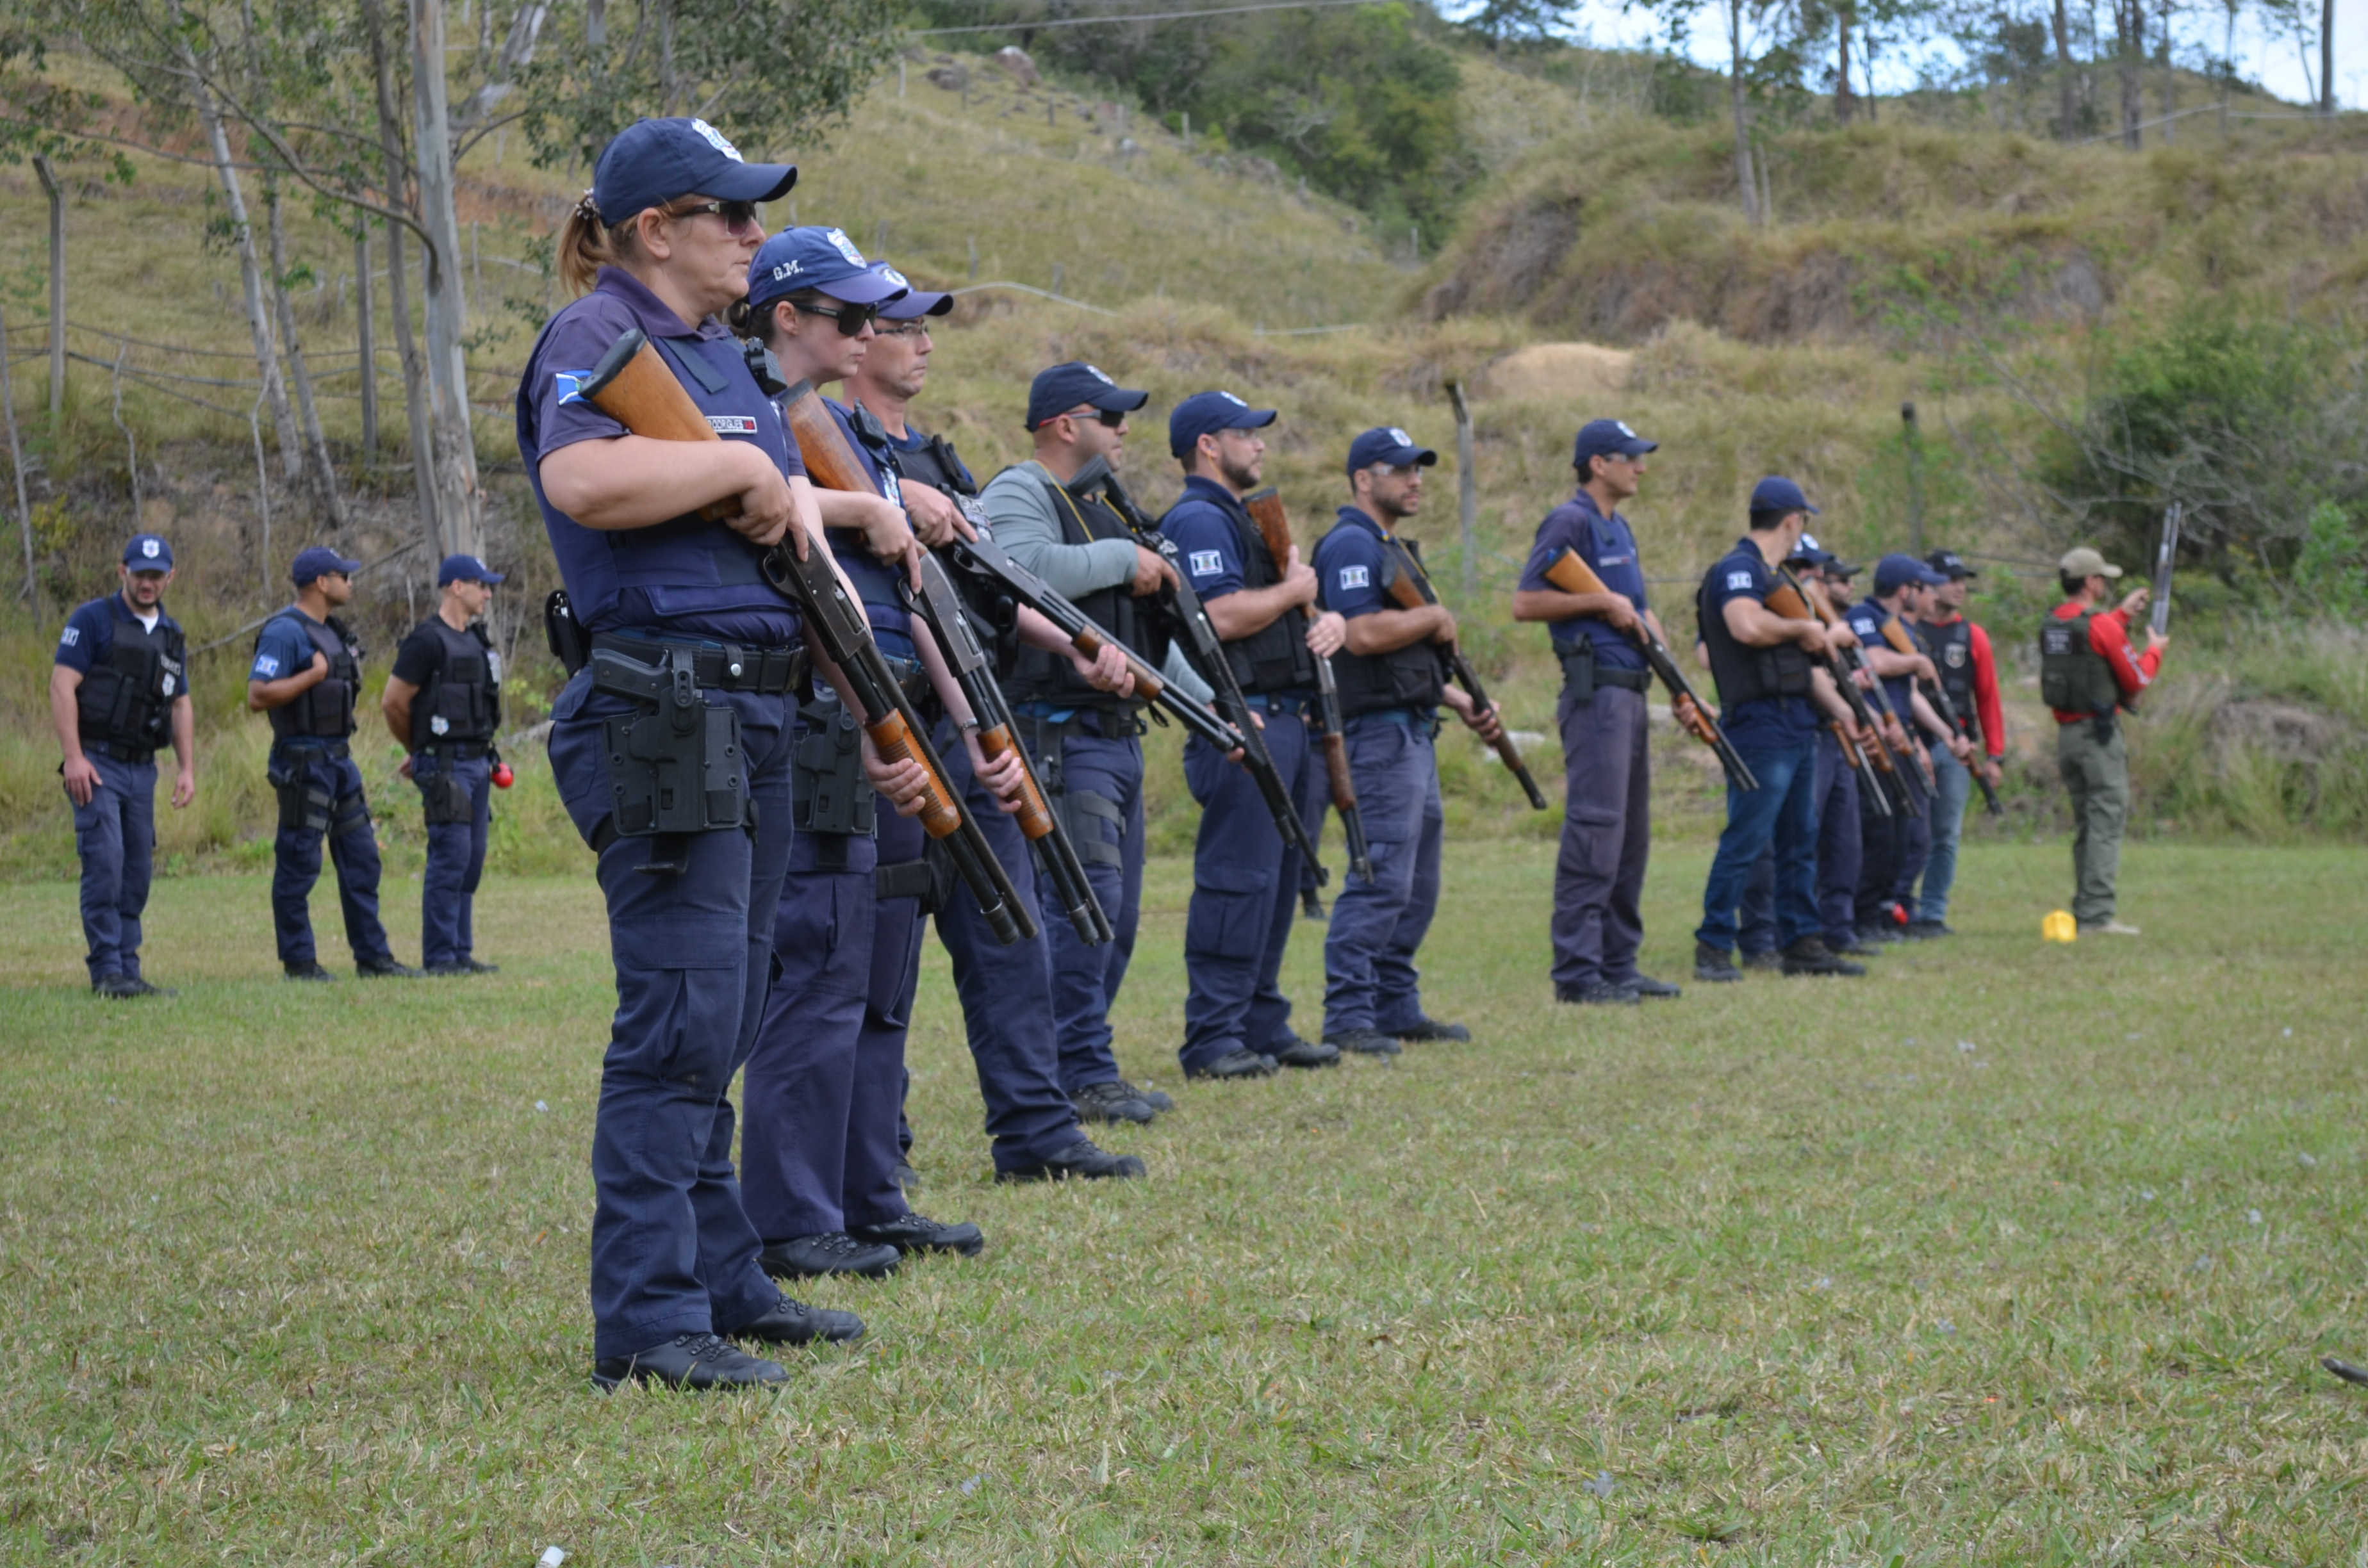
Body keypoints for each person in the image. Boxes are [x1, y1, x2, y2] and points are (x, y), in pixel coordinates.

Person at [520, 117, 864, 1391]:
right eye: (734, 214)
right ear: (657, 229)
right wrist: (730, 464)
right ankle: (651, 1320)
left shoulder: (715, 355)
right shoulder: (597, 338)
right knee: (677, 1013)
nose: (757, 236)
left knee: (729, 1003)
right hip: (666, 705)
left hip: (762, 708)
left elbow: (774, 527)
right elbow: (586, 485)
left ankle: (721, 1278)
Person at [841, 266, 1163, 1148]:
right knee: (882, 952)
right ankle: (877, 1153)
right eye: (904, 325)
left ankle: (1036, 1130)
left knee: (1013, 931)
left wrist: (1082, 647)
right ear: (859, 341)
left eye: (925, 326)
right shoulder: (830, 444)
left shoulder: (943, 460)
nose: (925, 340)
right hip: (891, 713)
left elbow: (986, 589)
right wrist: (888, 500)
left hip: (976, 711)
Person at [980, 361, 1210, 1127]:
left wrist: (1211, 706)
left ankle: (1080, 1064)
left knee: (1119, 908)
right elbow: (1014, 573)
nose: (1122, 429)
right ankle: (1076, 1071)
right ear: (1062, 425)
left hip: (1110, 734)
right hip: (1057, 729)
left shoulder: (1103, 506)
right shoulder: (1022, 489)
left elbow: (1140, 641)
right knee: (1086, 904)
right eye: (1108, 416)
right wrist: (1126, 560)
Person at [1161, 390, 1347, 1078]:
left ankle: (1260, 1021)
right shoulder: (1200, 519)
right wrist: (1297, 593)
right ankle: (1212, 1037)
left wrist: (1327, 621)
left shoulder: (1239, 519)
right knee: (1238, 880)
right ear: (1208, 445)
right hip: (1244, 722)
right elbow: (1223, 617)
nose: (1260, 444)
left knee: (1277, 879)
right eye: (1246, 433)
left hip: (1282, 717)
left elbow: (1280, 614)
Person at [1312, 427, 1499, 1053]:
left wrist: (1460, 698)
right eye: (1400, 470)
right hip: (1377, 736)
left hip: (1412, 727)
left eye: (1419, 469)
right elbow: (1360, 636)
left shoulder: (1387, 545)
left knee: (1416, 882)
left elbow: (1402, 657)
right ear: (1364, 479)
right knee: (1381, 875)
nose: (1415, 479)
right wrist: (1436, 617)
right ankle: (1349, 1016)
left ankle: (1395, 1004)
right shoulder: (1349, 546)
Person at [1513, 418, 1683, 1005]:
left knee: (1630, 837)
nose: (1640, 466)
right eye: (1628, 457)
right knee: (1596, 829)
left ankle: (1619, 964)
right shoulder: (1571, 521)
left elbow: (1639, 611)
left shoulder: (1620, 528)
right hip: (1597, 697)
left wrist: (1680, 685)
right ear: (1597, 465)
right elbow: (1526, 600)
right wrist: (1599, 601)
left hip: (1632, 691)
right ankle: (1579, 975)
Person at [1691, 479, 1867, 981]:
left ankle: (1801, 942)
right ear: (1793, 521)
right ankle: (1714, 944)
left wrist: (1841, 708)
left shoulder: (1772, 577)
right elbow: (1745, 626)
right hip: (1760, 721)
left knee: (1799, 837)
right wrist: (1806, 629)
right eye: (1803, 523)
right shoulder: (1740, 569)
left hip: (1795, 717)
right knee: (1747, 838)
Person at [248, 546, 416, 983]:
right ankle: (300, 963)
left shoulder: (333, 631)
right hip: (304, 764)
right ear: (322, 583)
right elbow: (258, 694)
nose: (351, 582)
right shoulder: (285, 633)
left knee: (362, 860)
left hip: (340, 761)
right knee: (299, 863)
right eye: (344, 575)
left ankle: (374, 958)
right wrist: (310, 676)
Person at [51, 533, 195, 997]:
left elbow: (180, 705)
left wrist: (186, 768)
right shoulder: (93, 619)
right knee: (106, 861)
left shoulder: (171, 635)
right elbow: (61, 686)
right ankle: (107, 971)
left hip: (142, 768)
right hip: (97, 762)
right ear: (122, 573)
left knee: (136, 869)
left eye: (156, 575)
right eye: (140, 574)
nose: (147, 583)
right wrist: (73, 757)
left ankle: (129, 970)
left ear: (170, 577)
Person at [381, 553, 506, 976]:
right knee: (450, 858)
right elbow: (394, 703)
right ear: (457, 586)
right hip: (445, 766)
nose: (488, 593)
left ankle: (460, 952)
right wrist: (419, 750)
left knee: (471, 860)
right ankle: (439, 958)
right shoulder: (426, 640)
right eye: (482, 585)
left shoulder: (475, 641)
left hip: (478, 763)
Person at [1843, 556, 1970, 941]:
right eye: (1923, 587)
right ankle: (1864, 915)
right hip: (1874, 735)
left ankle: (1889, 910)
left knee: (1907, 833)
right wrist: (1915, 660)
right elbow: (1875, 661)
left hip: (1900, 735)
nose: (1929, 594)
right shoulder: (1864, 617)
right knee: (1878, 831)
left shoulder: (1900, 629)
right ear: (1906, 591)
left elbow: (1911, 696)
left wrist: (1947, 734)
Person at [2043, 544, 2165, 935]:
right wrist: (2155, 652)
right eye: (2103, 579)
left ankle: (2086, 907)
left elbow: (2089, 642)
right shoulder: (2101, 626)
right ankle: (2097, 916)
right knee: (2106, 823)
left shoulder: (2054, 623)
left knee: (2086, 825)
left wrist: (2123, 615)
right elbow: (2137, 678)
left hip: (2067, 738)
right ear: (2092, 582)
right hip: (2099, 738)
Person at [1910, 548, 2005, 935]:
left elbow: (1988, 697)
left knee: (1945, 834)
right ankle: (1895, 906)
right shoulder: (1906, 629)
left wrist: (1995, 754)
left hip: (1957, 749)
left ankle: (1932, 912)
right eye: (1951, 580)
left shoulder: (1973, 636)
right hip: (1912, 743)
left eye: (1962, 580)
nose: (1959, 588)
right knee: (1906, 831)